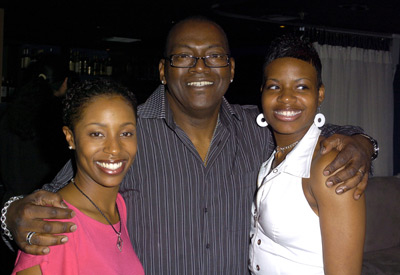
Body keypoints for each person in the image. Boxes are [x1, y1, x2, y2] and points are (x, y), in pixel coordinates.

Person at [3, 16, 376, 274]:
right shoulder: (127, 135)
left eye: (213, 56)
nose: (200, 67)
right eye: (184, 56)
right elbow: (55, 198)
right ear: (164, 70)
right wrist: (10, 216)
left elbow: (321, 129)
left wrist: (363, 143)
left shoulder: (258, 128)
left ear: (231, 69)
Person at [248, 35, 366, 274]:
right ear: (262, 93)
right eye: (274, 86)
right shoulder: (272, 158)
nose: (286, 97)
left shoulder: (330, 167)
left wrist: (365, 144)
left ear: (319, 94)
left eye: (301, 86)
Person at [12, 79, 144, 274]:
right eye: (97, 134)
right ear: (70, 137)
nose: (115, 148)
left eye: (126, 133)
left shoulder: (119, 206)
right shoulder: (53, 228)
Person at [0, 54, 73, 198]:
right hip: (43, 202)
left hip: (10, 201)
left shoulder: (11, 112)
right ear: (65, 82)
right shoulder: (60, 118)